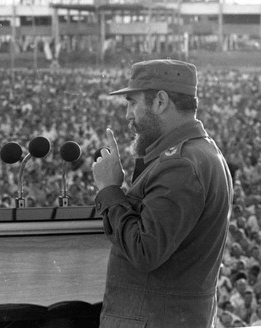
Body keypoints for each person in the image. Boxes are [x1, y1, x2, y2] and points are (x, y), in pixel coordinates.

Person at [92, 59, 234, 327]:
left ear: (160, 101)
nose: (128, 115)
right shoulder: (202, 153)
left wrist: (110, 190)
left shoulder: (180, 164)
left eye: (133, 103)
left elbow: (145, 250)